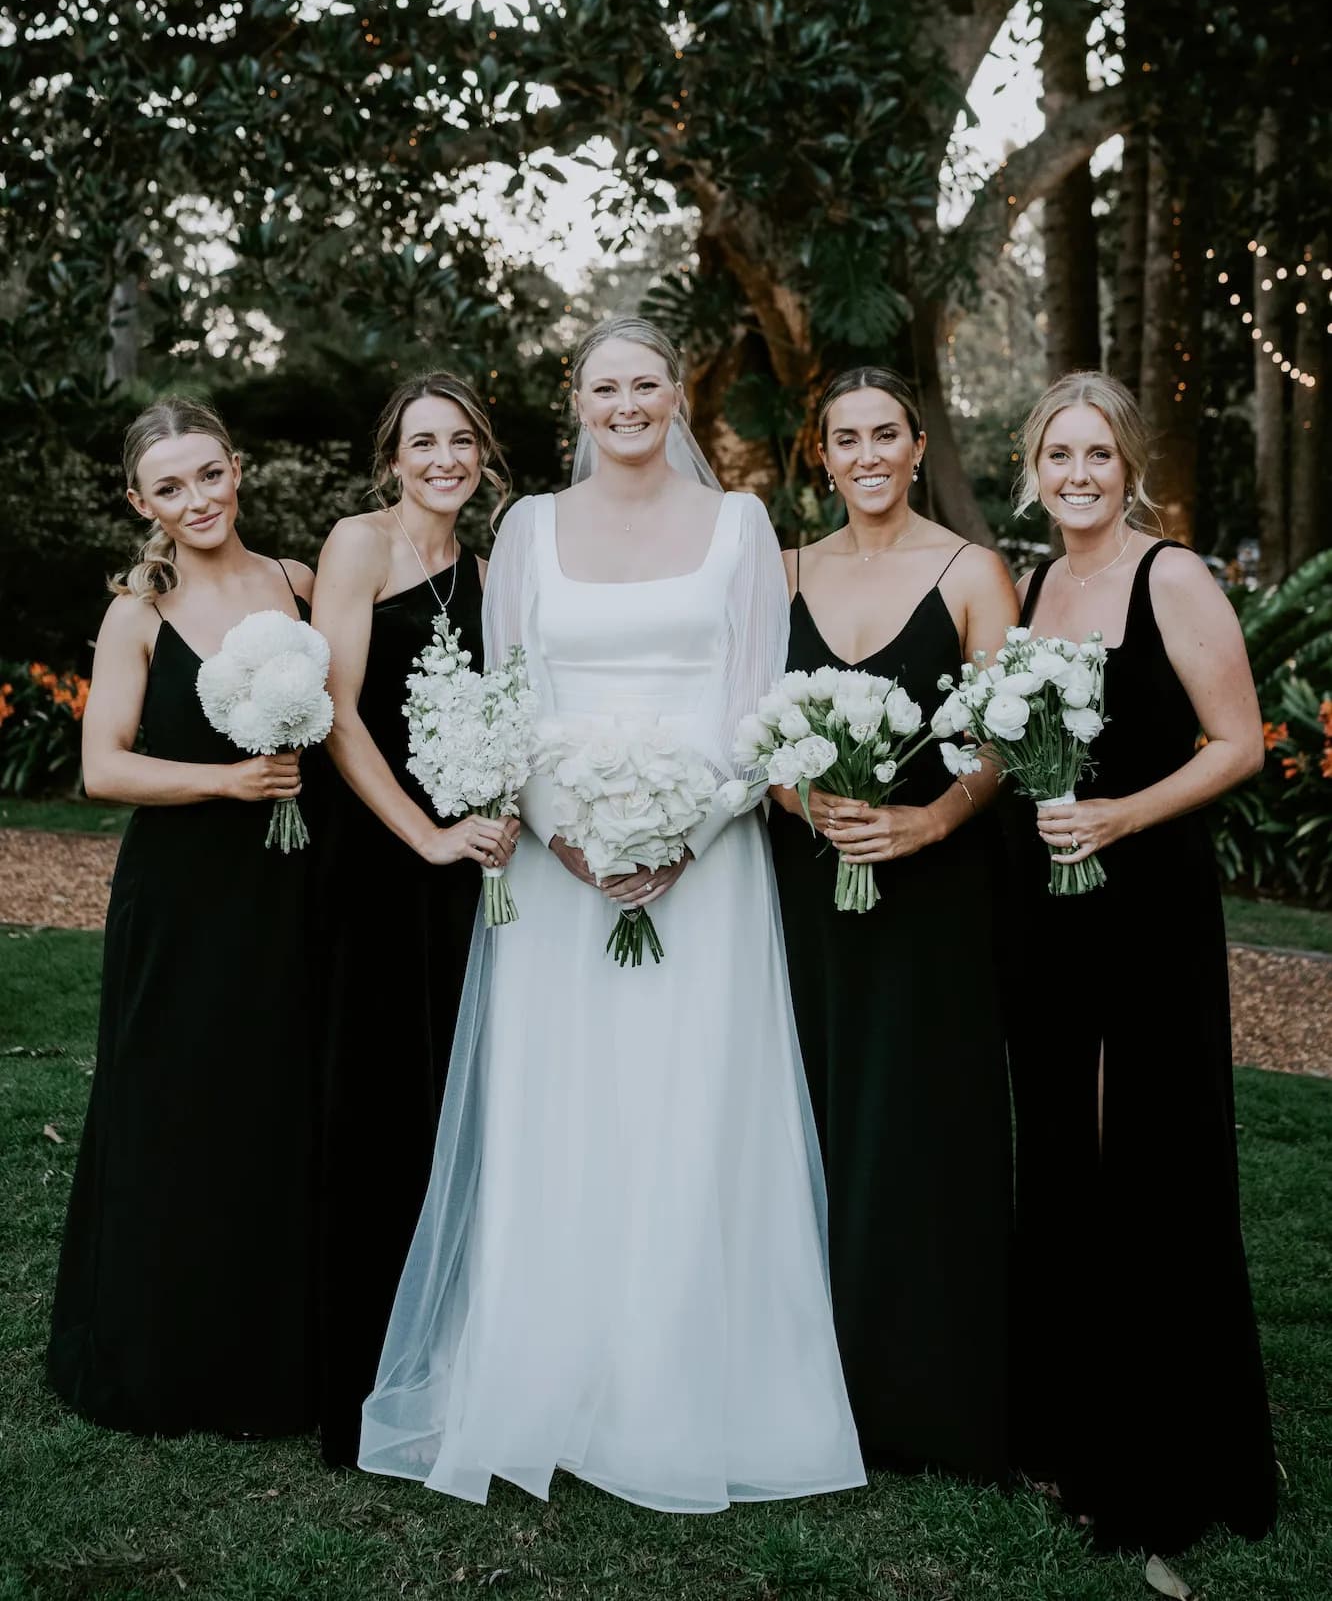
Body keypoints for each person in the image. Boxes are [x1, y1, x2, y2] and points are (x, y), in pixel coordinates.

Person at [359, 317, 865, 1511]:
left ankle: (691, 1386)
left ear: (674, 396)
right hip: (556, 867)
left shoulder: (742, 526)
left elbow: (760, 703)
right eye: (604, 386)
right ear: (576, 400)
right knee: (565, 1107)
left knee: (692, 1106)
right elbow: (508, 697)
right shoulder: (526, 528)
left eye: (645, 384)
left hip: (711, 867)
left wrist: (687, 830)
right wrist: (564, 829)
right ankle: (551, 1375)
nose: (626, 403)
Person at [1007, 369, 1277, 1554]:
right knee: (1064, 1155)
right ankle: (1070, 1429)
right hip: (1052, 910)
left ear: (1129, 467)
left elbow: (1240, 745)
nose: (1077, 475)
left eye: (1097, 457)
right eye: (1058, 456)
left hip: (1148, 904)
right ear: (1034, 469)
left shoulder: (1174, 576)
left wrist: (1120, 817)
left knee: (1147, 1162)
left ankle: (1170, 1448)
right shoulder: (1034, 583)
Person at [48, 397, 319, 1436]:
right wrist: (229, 783)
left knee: (274, 1109)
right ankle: (166, 1352)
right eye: (170, 486)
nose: (196, 499)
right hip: (181, 898)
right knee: (174, 1108)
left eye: (208, 474)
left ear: (237, 470)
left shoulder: (295, 585)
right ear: (140, 502)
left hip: (289, 893)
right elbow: (100, 765)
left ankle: (274, 1351)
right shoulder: (137, 613)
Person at [767, 366, 1018, 1482]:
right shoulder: (780, 571)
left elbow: (1001, 737)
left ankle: (926, 1386)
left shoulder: (973, 572)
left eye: (885, 435)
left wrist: (929, 821)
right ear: (821, 458)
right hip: (803, 886)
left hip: (932, 892)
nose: (865, 455)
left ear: (919, 445)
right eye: (843, 439)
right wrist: (800, 797)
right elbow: (752, 725)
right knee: (808, 1112)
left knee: (921, 1123)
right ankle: (806, 1382)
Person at [310, 373, 517, 1466]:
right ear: (393, 456)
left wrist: (490, 815)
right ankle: (355, 1381)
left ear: (483, 455)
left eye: (462, 441)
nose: (444, 458)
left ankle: (442, 1359)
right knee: (372, 1101)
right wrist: (424, 835)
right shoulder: (359, 545)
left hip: (463, 872)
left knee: (450, 1103)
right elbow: (338, 714)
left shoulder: (486, 573)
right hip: (377, 855)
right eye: (423, 442)